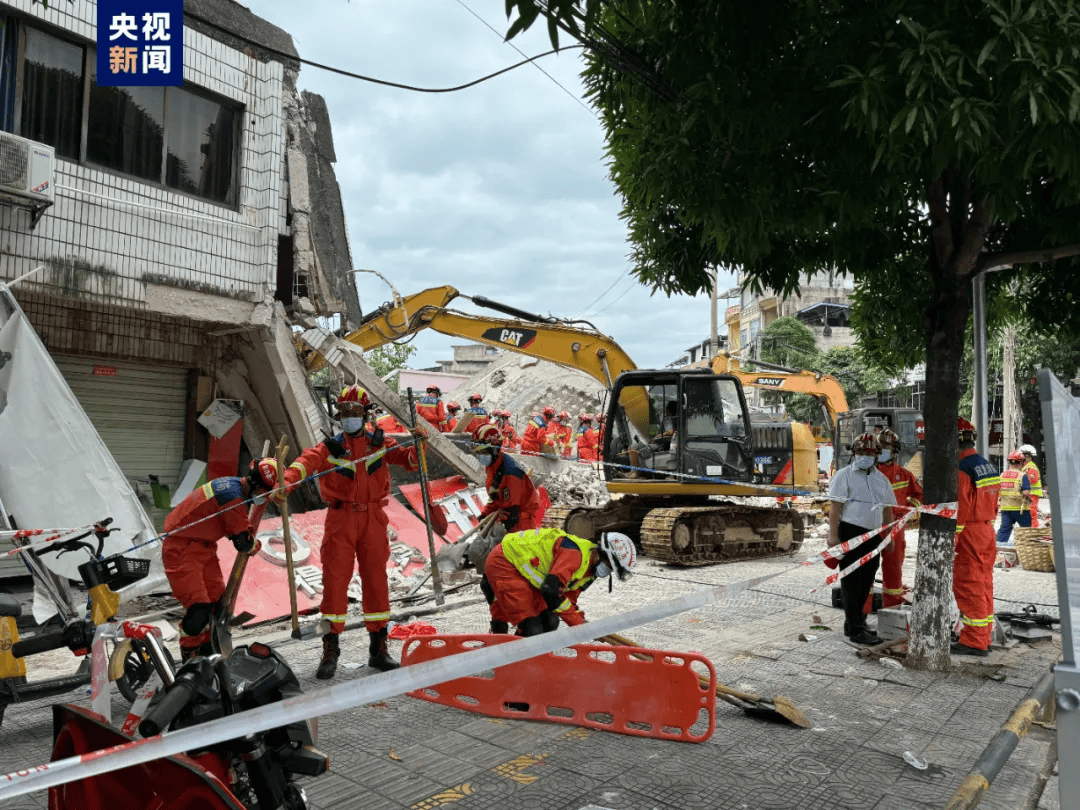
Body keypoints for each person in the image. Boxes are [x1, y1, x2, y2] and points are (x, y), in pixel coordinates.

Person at [283, 385, 419, 678]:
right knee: (334, 582)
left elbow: (409, 461)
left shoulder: (380, 443)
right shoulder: (330, 447)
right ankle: (330, 650)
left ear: (366, 414)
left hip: (373, 518)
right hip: (340, 519)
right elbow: (304, 463)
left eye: (354, 412)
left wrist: (420, 445)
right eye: (344, 412)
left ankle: (378, 649)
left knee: (376, 581)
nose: (349, 417)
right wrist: (286, 480)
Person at [163, 457, 279, 660]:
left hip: (204, 547)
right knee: (199, 609)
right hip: (181, 548)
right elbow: (243, 543)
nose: (265, 497)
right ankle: (190, 655)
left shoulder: (232, 486)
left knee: (217, 604)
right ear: (255, 485)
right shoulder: (232, 498)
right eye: (265, 493)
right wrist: (256, 544)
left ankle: (209, 653)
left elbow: (234, 526)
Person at [482, 528, 635, 634]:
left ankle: (530, 658)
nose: (607, 572)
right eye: (610, 567)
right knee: (532, 628)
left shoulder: (590, 571)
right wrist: (578, 624)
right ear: (602, 554)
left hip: (526, 571)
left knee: (550, 621)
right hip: (506, 561)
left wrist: (581, 622)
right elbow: (551, 591)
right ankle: (515, 665)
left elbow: (568, 598)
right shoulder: (575, 554)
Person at [827, 432, 896, 645]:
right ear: (854, 453)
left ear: (876, 456)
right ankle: (856, 629)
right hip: (851, 533)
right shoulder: (844, 475)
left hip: (873, 536)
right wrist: (832, 536)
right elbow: (835, 508)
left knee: (866, 582)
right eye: (861, 452)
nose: (865, 456)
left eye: (869, 453)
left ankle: (857, 623)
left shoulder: (881, 479)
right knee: (851, 582)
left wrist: (889, 536)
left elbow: (887, 511)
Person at [953, 417, 1001, 657]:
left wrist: (952, 540)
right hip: (987, 530)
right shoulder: (987, 465)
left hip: (969, 532)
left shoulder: (963, 469)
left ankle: (974, 641)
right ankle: (984, 635)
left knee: (968, 583)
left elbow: (961, 508)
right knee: (983, 583)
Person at [866, 428, 923, 611]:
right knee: (865, 571)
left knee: (893, 570)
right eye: (880, 447)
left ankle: (891, 609)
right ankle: (863, 613)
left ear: (894, 450)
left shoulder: (904, 475)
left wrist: (910, 510)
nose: (882, 451)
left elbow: (918, 495)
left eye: (886, 448)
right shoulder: (866, 473)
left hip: (895, 528)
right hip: (870, 527)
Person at [471, 424, 541, 534]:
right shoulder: (493, 466)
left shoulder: (510, 474)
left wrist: (499, 530)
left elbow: (511, 513)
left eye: (483, 452)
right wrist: (484, 515)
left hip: (521, 523)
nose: (480, 456)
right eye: (478, 452)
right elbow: (495, 496)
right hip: (511, 514)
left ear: (494, 449)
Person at [996, 450, 1032, 545]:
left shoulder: (1002, 475)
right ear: (1021, 462)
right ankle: (1025, 550)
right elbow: (1026, 492)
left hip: (1005, 508)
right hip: (1020, 509)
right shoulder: (1022, 476)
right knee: (1026, 532)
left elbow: (997, 490)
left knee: (1004, 530)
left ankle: (998, 550)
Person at [1018, 444, 1043, 527]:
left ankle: (1034, 527)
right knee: (1028, 511)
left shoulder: (1031, 467)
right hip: (1029, 493)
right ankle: (1031, 527)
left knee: (1032, 511)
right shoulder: (1026, 466)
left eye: (1022, 456)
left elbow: (1032, 480)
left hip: (1033, 493)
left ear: (1027, 456)